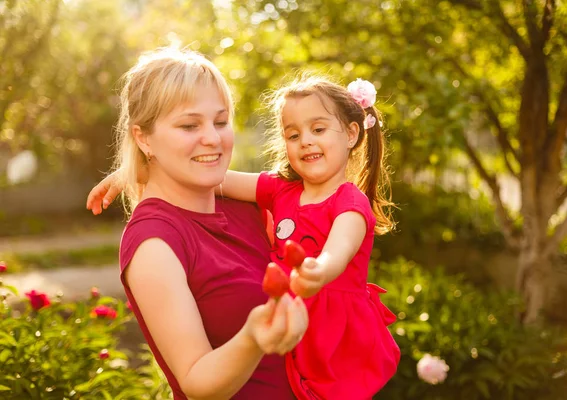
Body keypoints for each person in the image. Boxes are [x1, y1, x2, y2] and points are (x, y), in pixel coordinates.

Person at [89, 73, 401, 398]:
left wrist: (319, 270)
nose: (306, 141)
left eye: (221, 121)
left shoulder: (348, 201)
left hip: (332, 334)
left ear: (352, 134)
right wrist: (137, 169)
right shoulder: (279, 192)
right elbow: (218, 176)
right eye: (293, 135)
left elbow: (340, 248)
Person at [86, 47, 308, 400]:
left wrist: (142, 167)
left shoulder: (243, 206)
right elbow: (196, 381)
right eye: (189, 125)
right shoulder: (154, 243)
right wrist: (252, 338)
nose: (213, 138)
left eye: (220, 122)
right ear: (143, 137)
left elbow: (317, 190)